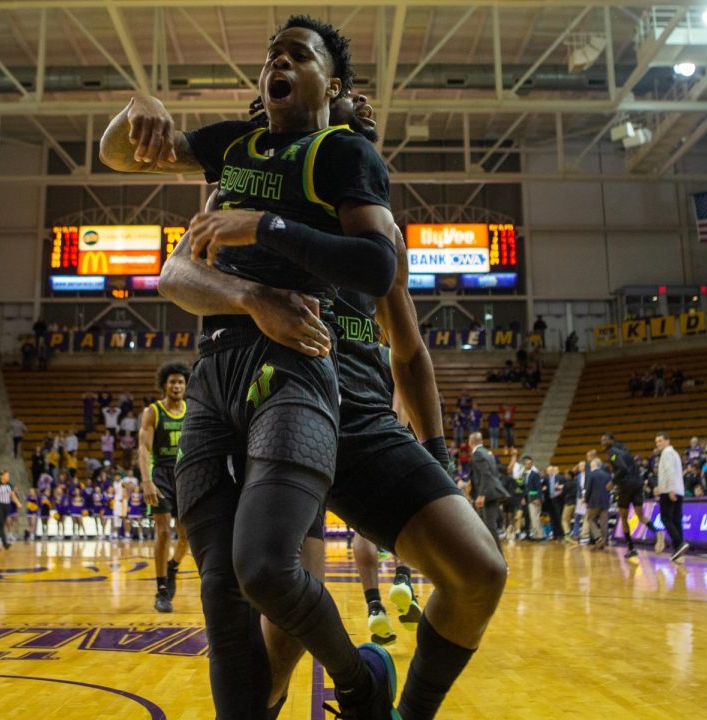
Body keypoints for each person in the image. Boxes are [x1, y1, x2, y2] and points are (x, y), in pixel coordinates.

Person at [155, 88, 506, 720]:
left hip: (362, 422)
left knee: (480, 571)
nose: (363, 106)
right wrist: (248, 295)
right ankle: (339, 685)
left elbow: (409, 354)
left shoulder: (377, 229)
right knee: (274, 646)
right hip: (277, 405)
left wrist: (436, 454)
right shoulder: (244, 193)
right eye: (349, 95)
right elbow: (179, 273)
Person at [105, 16, 403, 719]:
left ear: (331, 86)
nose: (279, 61)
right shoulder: (231, 151)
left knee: (266, 569)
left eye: (299, 55)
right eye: (273, 54)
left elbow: (379, 266)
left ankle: (360, 682)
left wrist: (266, 231)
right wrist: (137, 107)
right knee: (219, 592)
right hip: (217, 373)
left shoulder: (343, 155)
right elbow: (123, 154)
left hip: (297, 367)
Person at [139, 362, 192, 614]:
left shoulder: (191, 411)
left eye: (180, 382)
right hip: (160, 474)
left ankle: (172, 567)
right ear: (164, 384)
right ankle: (161, 590)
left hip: (186, 475)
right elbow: (143, 448)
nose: (177, 385)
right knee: (162, 532)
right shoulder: (153, 412)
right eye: (172, 382)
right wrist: (146, 480)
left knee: (186, 536)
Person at [600, 432, 657, 559]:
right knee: (640, 515)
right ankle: (658, 534)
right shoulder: (625, 450)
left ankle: (631, 547)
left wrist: (612, 482)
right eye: (601, 440)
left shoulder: (612, 452)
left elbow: (622, 469)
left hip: (625, 486)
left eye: (605, 439)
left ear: (612, 440)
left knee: (623, 517)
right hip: (637, 484)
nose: (602, 442)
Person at [468, 432, 509, 553]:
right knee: (483, 526)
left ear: (471, 442)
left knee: (489, 527)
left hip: (487, 495)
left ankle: (500, 560)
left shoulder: (477, 454)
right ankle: (486, 556)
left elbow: (486, 475)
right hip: (491, 493)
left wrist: (481, 495)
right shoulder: (487, 453)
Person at [654, 432, 689, 561]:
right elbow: (673, 473)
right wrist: (661, 486)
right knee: (676, 520)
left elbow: (669, 472)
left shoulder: (667, 453)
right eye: (657, 441)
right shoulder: (674, 453)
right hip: (678, 490)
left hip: (670, 491)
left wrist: (669, 489)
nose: (658, 443)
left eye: (661, 441)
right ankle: (678, 550)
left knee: (665, 518)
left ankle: (679, 543)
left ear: (668, 441)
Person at [0, 470, 21, 551]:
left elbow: (13, 496)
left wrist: (18, 503)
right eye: (7, 475)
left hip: (6, 506)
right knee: (1, 523)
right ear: (1, 476)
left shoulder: (9, 485)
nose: (8, 477)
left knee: (0, 525)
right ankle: (5, 543)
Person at [583, 459, 611, 550]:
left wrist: (586, 499)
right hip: (605, 501)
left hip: (594, 501)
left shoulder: (591, 475)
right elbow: (610, 488)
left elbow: (588, 489)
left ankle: (598, 538)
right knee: (604, 522)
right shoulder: (607, 475)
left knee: (590, 519)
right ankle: (604, 540)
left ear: (593, 465)